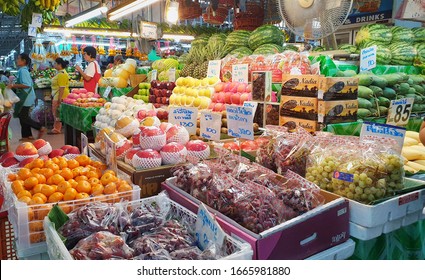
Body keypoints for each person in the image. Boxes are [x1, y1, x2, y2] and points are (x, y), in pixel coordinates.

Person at [8, 53, 46, 140]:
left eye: (18, 59)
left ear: (24, 61)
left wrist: (13, 85)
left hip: (26, 97)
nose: (17, 60)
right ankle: (27, 135)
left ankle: (40, 127)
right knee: (23, 116)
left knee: (23, 116)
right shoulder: (22, 70)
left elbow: (27, 85)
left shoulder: (23, 71)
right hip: (25, 97)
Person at [49, 57, 70, 134]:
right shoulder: (59, 73)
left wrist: (59, 98)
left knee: (57, 112)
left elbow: (62, 87)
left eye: (55, 63)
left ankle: (57, 129)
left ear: (59, 64)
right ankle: (56, 128)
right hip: (57, 95)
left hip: (60, 96)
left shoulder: (62, 74)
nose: (54, 65)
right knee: (56, 112)